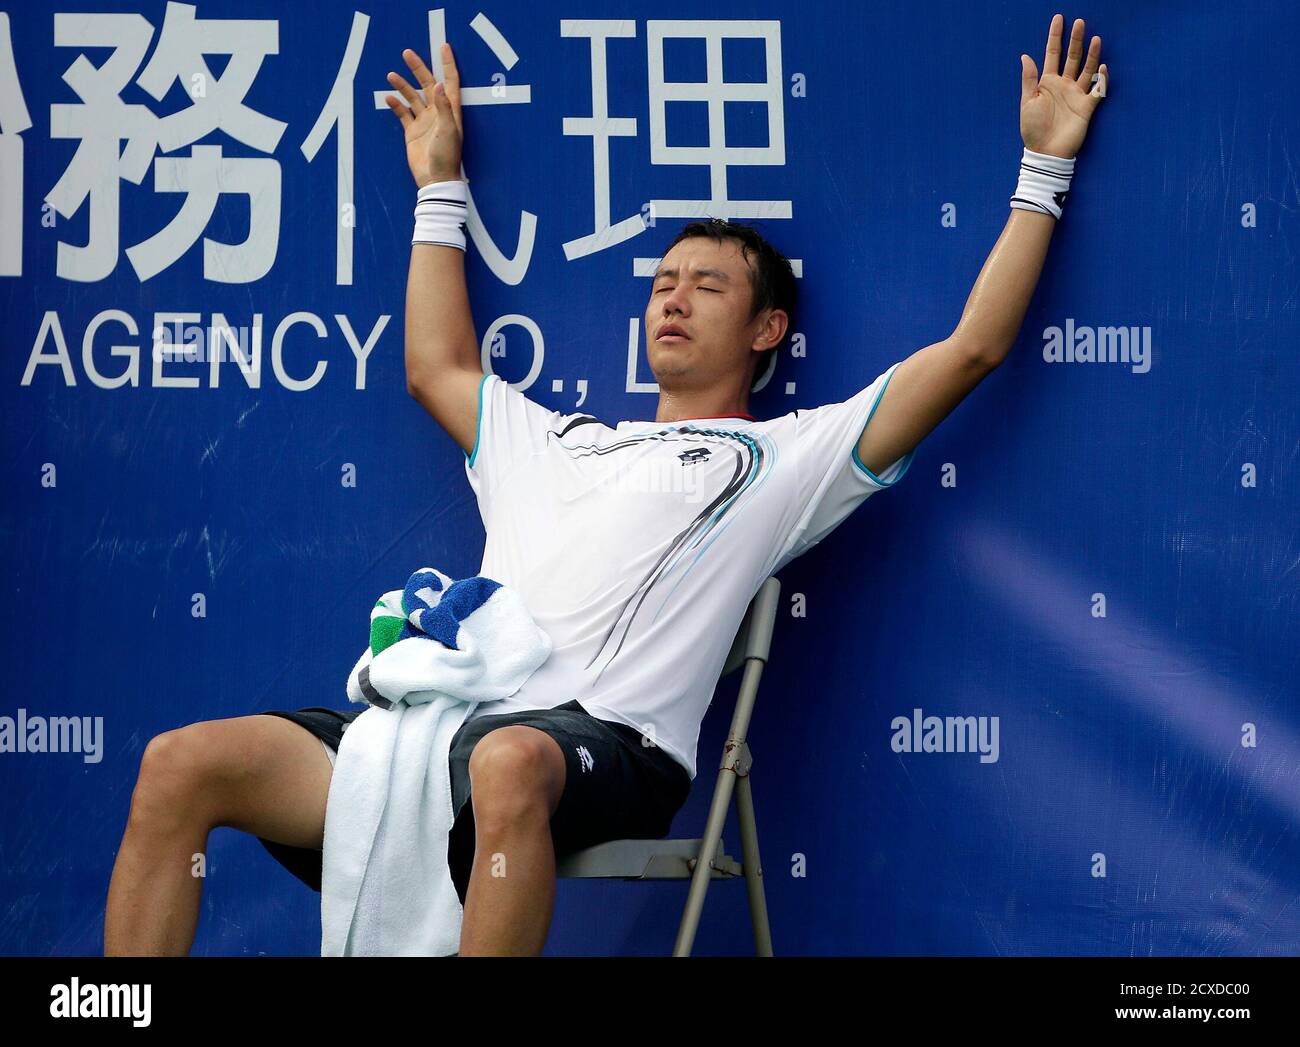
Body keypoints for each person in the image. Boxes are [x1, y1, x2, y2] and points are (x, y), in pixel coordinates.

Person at [103, 14, 1107, 957]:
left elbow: (971, 350)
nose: (673, 298)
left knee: (506, 764)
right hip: (432, 742)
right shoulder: (555, 438)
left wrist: (1044, 165)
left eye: (707, 285)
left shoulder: (782, 460)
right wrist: (437, 184)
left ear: (766, 331)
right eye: (662, 283)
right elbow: (435, 367)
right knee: (180, 762)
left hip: (605, 749)